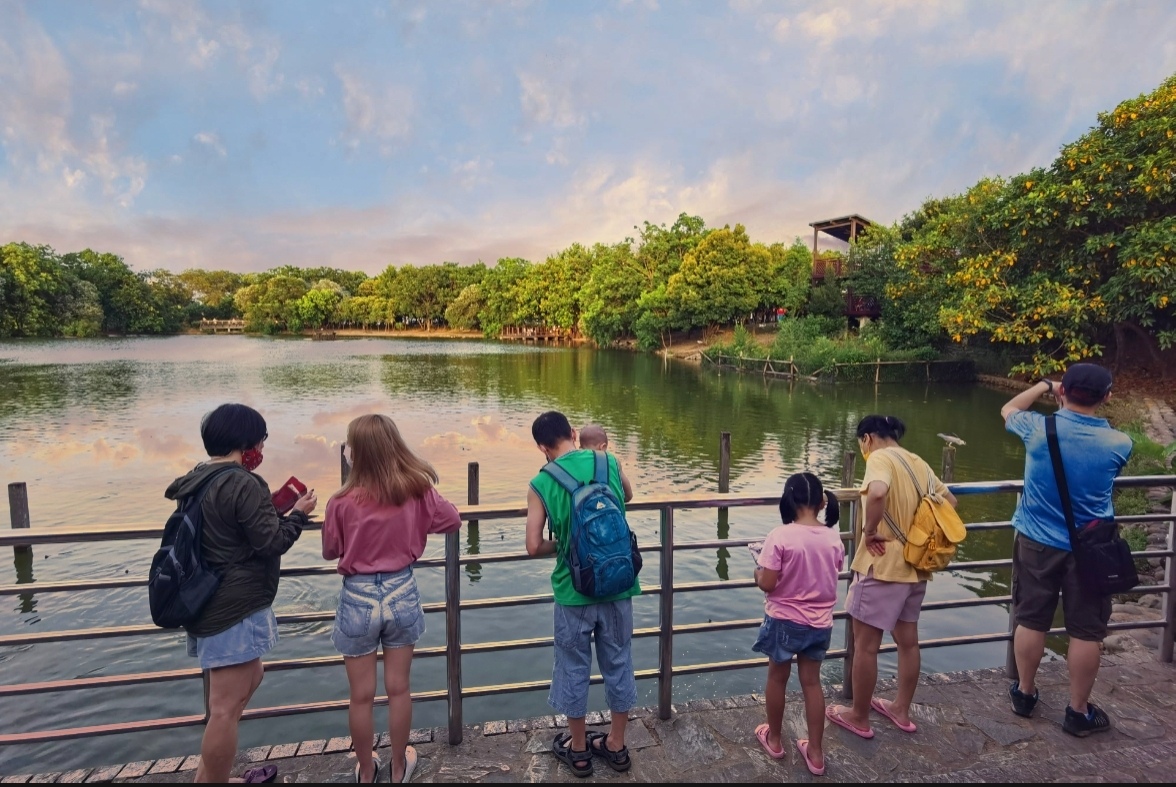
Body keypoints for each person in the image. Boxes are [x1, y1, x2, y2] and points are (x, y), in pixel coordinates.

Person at [166, 403, 316, 784]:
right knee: (224, 709)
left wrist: (271, 512)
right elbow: (270, 541)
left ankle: (209, 779)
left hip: (214, 604)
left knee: (252, 675)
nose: (262, 450)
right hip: (231, 608)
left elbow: (234, 532)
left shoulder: (199, 478)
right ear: (245, 442)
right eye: (261, 441)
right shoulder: (243, 483)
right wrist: (298, 514)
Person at [322, 414, 462, 783]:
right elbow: (451, 519)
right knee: (399, 689)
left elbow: (330, 549)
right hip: (402, 590)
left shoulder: (341, 501)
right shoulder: (416, 491)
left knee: (361, 696)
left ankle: (367, 771)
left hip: (357, 595)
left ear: (357, 453)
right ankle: (399, 768)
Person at [1000, 364, 1132, 736]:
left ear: (1062, 392)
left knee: (1031, 618)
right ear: (1106, 397)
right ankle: (1077, 711)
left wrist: (1043, 384)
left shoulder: (1037, 429)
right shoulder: (1119, 443)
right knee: (1087, 630)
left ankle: (1024, 694)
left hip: (1037, 542)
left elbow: (1009, 408)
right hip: (1093, 549)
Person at [826, 415, 957, 740]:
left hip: (883, 565)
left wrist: (869, 530)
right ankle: (900, 708)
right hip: (916, 564)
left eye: (861, 443)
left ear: (868, 438)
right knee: (908, 641)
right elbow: (950, 502)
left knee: (866, 646)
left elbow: (879, 492)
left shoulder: (880, 458)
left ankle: (859, 716)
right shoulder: (918, 462)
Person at [525, 411, 639, 778]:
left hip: (574, 591)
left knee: (573, 668)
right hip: (620, 583)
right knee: (619, 661)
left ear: (543, 447)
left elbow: (532, 545)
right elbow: (629, 496)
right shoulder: (607, 460)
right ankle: (616, 745)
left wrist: (562, 545)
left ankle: (577, 751)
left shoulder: (542, 482)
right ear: (573, 433)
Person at [752, 473, 844, 776]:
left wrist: (757, 571)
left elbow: (767, 583)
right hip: (821, 623)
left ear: (788, 500)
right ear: (821, 502)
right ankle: (816, 753)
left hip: (784, 621)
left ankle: (775, 739)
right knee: (812, 684)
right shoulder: (833, 536)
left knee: (777, 678)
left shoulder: (780, 535)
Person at [577, 423, 634, 501]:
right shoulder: (614, 461)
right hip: (614, 510)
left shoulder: (577, 462)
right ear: (603, 447)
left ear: (580, 449)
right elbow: (629, 495)